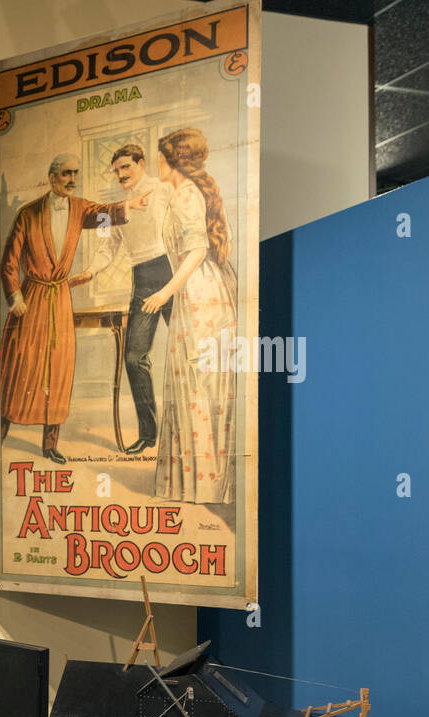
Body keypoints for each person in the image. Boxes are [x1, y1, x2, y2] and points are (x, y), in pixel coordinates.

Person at [0, 154, 146, 463]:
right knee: (20, 366)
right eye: (66, 174)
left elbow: (103, 216)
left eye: (75, 174)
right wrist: (14, 296)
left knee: (59, 368)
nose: (72, 179)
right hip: (32, 298)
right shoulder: (27, 214)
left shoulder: (79, 209)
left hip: (59, 298)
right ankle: (0, 429)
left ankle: (50, 444)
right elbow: (9, 260)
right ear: (52, 178)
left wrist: (126, 208)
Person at [141, 128, 238, 504]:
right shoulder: (188, 192)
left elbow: (196, 249)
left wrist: (166, 291)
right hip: (200, 292)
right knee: (198, 385)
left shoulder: (185, 195)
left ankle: (205, 485)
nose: (158, 164)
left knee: (198, 386)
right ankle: (200, 483)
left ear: (173, 160)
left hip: (199, 294)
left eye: (161, 157)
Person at [85, 144, 175, 454]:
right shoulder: (118, 207)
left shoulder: (164, 190)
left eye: (126, 167)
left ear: (141, 163)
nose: (121, 174)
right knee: (134, 357)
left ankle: (193, 437)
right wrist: (89, 273)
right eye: (117, 170)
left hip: (172, 270)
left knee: (188, 352)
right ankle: (149, 436)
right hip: (143, 279)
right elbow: (107, 248)